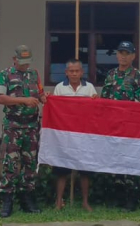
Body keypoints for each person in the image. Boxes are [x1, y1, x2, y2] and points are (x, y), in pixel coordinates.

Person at [0, 45, 47, 218]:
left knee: (30, 164)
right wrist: (23, 100)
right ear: (14, 59)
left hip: (31, 127)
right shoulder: (5, 74)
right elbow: (0, 98)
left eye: (27, 62)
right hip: (13, 127)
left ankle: (27, 199)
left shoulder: (34, 74)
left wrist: (44, 97)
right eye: (22, 62)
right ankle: (7, 201)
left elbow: (39, 94)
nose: (25, 65)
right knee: (10, 164)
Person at [100, 40, 140, 211]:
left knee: (130, 160)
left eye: (127, 53)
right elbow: (104, 98)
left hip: (130, 127)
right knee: (115, 159)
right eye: (121, 53)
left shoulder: (139, 77)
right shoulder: (111, 74)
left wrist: (121, 110)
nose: (123, 56)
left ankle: (132, 197)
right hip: (113, 126)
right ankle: (118, 195)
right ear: (117, 55)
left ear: (133, 56)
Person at [51, 59, 97, 211]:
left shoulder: (89, 88)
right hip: (65, 136)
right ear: (66, 72)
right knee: (62, 171)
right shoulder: (59, 88)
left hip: (84, 135)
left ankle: (85, 202)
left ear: (82, 72)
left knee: (84, 171)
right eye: (71, 71)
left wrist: (95, 101)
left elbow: (95, 110)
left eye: (77, 71)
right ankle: (59, 201)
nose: (74, 73)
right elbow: (54, 109)